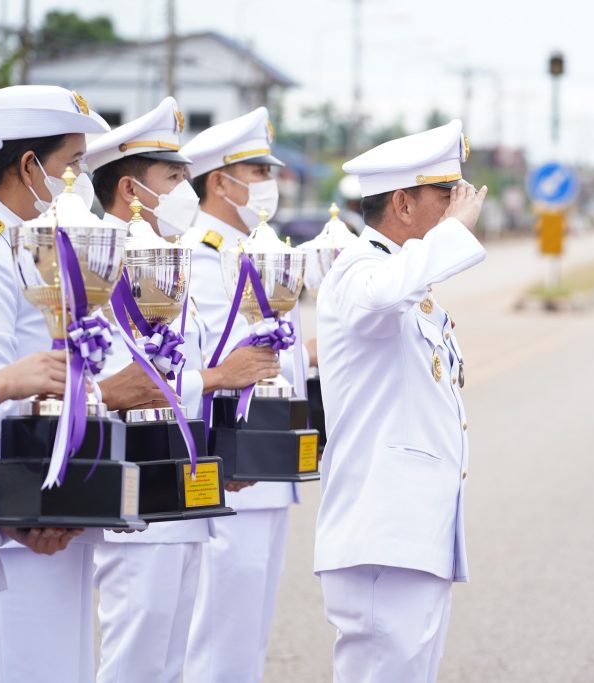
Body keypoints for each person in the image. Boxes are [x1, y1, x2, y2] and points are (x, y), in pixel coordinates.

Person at [85, 96, 283, 683]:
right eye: (174, 177)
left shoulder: (167, 261)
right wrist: (220, 378)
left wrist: (219, 456)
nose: (188, 194)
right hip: (135, 487)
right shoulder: (98, 263)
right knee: (136, 659)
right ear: (130, 189)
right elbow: (124, 385)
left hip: (185, 486)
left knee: (169, 663)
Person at [314, 119, 487, 682]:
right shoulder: (359, 271)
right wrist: (454, 235)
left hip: (412, 532)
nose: (459, 206)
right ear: (404, 204)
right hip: (381, 532)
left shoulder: (405, 282)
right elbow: (386, 292)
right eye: (446, 194)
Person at [0, 85, 122, 683]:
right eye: (71, 165)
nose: (77, 179)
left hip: (49, 504)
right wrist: (22, 512)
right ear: (29, 166)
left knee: (67, 663)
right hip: (16, 514)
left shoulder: (27, 247)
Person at [180, 107, 310, 683]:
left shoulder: (260, 245)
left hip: (269, 460)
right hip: (230, 460)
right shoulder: (203, 253)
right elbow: (216, 361)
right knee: (220, 635)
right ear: (220, 182)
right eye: (258, 171)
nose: (269, 185)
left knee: (249, 634)